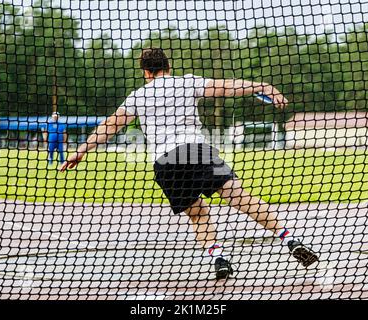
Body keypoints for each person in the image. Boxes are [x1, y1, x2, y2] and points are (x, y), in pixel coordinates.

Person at [60, 48, 319, 280]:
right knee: (240, 198)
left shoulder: (137, 96)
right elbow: (227, 87)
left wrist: (81, 150)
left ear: (146, 73)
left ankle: (218, 258)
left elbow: (110, 125)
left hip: (164, 163)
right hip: (195, 152)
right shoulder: (186, 83)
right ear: (168, 67)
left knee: (198, 213)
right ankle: (289, 238)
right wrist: (262, 86)